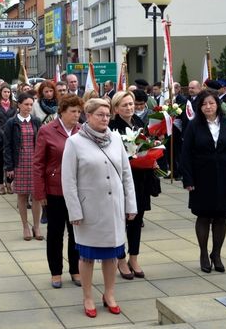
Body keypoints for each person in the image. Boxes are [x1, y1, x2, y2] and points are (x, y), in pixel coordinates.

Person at [62, 98, 137, 317]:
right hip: (89, 211)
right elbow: (68, 181)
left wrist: (130, 204)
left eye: (107, 115)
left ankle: (109, 293)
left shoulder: (115, 138)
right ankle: (87, 297)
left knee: (111, 256)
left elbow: (126, 174)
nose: (105, 119)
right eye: (100, 115)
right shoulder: (75, 142)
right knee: (87, 257)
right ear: (88, 115)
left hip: (113, 209)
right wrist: (74, 211)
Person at [181, 89, 226, 273]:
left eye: (211, 103)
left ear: (217, 105)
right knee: (203, 216)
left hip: (224, 177)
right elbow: (186, 154)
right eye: (204, 104)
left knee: (221, 216)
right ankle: (204, 253)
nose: (208, 107)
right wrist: (188, 179)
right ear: (200, 106)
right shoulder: (193, 126)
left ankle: (217, 254)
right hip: (201, 177)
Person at [34, 94, 84, 289]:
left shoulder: (82, 131)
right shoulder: (47, 131)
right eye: (73, 111)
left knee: (76, 233)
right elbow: (38, 164)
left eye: (79, 112)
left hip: (78, 191)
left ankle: (76, 269)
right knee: (55, 233)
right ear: (62, 112)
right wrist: (40, 193)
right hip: (55, 191)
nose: (77, 115)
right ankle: (56, 272)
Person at [109, 91, 160, 280]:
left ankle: (134, 257)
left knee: (137, 220)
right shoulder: (112, 127)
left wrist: (152, 159)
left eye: (131, 104)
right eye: (125, 105)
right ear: (116, 108)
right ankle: (120, 258)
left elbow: (148, 147)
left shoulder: (139, 123)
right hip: (122, 179)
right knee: (122, 221)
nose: (130, 108)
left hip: (141, 178)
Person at [4, 93, 42, 240]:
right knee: (22, 195)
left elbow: (41, 143)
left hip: (35, 163)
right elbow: (7, 146)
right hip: (19, 163)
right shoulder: (11, 123)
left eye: (31, 105)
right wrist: (9, 167)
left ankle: (36, 226)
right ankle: (25, 226)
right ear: (18, 105)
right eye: (26, 104)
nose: (28, 107)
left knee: (37, 196)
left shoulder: (36, 121)